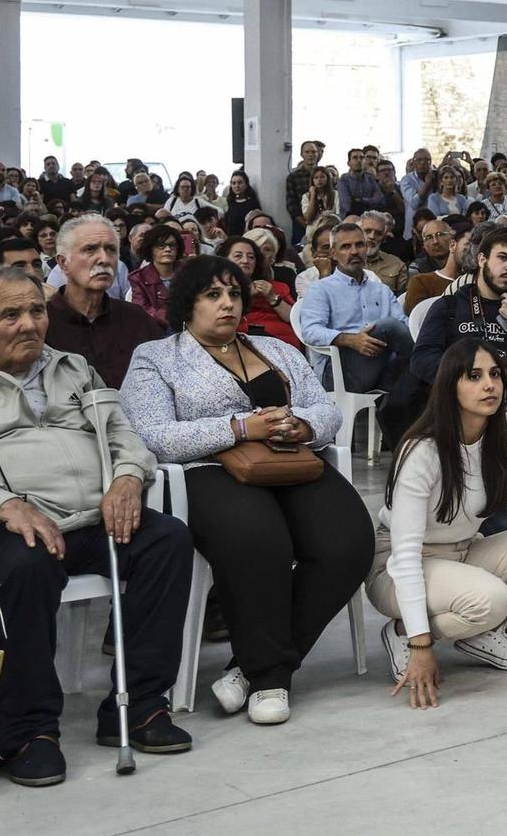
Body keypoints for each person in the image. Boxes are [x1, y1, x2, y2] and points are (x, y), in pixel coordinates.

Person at [0, 266, 195, 785]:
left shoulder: (72, 366)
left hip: (91, 516)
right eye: (10, 315)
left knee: (167, 540)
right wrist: (5, 504)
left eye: (36, 310)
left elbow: (122, 433)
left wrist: (128, 478)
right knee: (28, 565)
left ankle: (138, 705)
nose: (29, 324)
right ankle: (26, 732)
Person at [118, 255, 373, 725]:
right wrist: (239, 427)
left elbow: (325, 408)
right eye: (212, 295)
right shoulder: (156, 357)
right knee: (259, 540)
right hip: (209, 469)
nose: (228, 304)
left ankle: (246, 666)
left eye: (234, 294)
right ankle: (269, 676)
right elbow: (153, 435)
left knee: (350, 542)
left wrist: (301, 425)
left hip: (289, 461)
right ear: (186, 305)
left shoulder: (274, 348)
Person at [371, 339, 507, 707]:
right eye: (474, 376)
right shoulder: (423, 448)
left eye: (495, 375)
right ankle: (404, 632)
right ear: (449, 385)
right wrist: (422, 646)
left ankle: (481, 632)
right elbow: (405, 555)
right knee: (492, 598)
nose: (489, 385)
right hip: (397, 564)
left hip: (463, 551)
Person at [406, 225, 507, 445]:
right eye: (503, 258)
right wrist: (470, 379)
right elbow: (421, 360)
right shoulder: (450, 306)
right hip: (461, 423)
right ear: (482, 259)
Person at [295, 222, 413, 401]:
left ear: (366, 249)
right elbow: (310, 331)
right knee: (388, 326)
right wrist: (350, 340)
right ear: (333, 253)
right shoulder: (321, 289)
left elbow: (404, 327)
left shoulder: (381, 290)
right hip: (341, 373)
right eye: (345, 247)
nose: (354, 252)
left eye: (359, 245)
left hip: (383, 366)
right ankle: (437, 372)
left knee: (412, 352)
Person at [45, 214, 163, 386]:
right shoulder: (42, 323)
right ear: (64, 263)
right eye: (90, 249)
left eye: (111, 249)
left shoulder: (137, 319)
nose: (104, 259)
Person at [219, 233, 300, 348]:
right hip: (242, 341)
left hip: (284, 342)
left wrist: (272, 298)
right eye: (238, 256)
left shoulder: (276, 287)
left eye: (251, 257)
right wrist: (246, 297)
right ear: (224, 259)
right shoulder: (217, 290)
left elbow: (294, 319)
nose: (245, 260)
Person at [128, 222, 185, 327]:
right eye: (161, 245)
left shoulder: (188, 271)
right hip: (156, 329)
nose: (167, 249)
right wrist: (173, 318)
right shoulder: (138, 278)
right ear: (151, 248)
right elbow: (142, 309)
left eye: (172, 245)